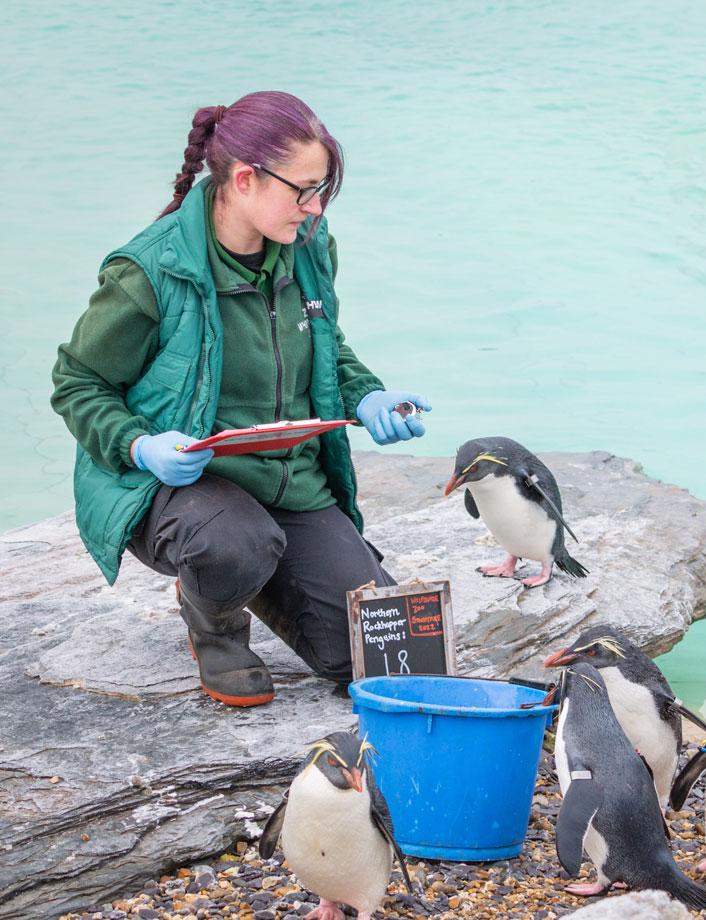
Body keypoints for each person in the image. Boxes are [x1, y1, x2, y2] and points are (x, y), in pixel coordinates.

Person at [51, 91, 431, 708]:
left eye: (322, 192)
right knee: (233, 542)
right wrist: (139, 446)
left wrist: (368, 396)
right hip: (181, 488)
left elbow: (327, 344)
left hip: (288, 482)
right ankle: (216, 621)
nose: (314, 209)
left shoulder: (309, 245)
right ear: (246, 179)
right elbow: (76, 383)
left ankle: (255, 566)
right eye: (303, 191)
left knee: (385, 662)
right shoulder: (148, 270)